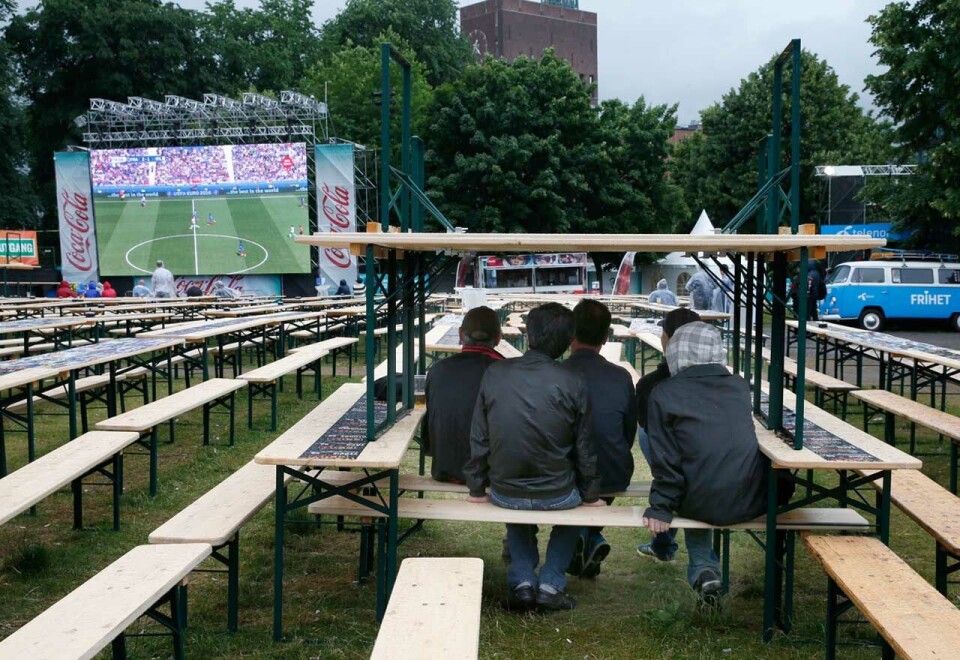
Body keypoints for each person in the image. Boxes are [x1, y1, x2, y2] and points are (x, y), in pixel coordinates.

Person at [464, 303, 600, 612]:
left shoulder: (496, 372)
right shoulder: (574, 379)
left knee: (517, 506)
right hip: (559, 494)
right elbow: (585, 446)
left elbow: (479, 437)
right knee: (573, 514)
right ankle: (551, 583)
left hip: (505, 491)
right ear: (569, 341)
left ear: (527, 335)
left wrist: (476, 488)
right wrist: (591, 495)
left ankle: (522, 581)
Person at [643, 322, 768, 606]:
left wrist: (661, 507)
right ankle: (704, 568)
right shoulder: (738, 386)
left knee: (697, 481)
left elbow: (666, 461)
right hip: (750, 497)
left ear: (676, 350)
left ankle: (703, 569)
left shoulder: (664, 393)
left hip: (699, 501)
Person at [564, 300, 637, 578]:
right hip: (613, 471)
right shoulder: (621, 377)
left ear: (570, 333)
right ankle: (591, 535)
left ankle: (583, 536)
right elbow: (627, 433)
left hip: (566, 474)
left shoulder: (556, 373)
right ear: (606, 337)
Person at [634, 308, 701, 562]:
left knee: (647, 436)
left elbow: (647, 427)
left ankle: (665, 546)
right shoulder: (719, 382)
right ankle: (701, 563)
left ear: (668, 339)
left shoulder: (650, 384)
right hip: (706, 467)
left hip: (668, 468)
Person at [422, 307, 503, 483]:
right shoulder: (505, 372)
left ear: (460, 334)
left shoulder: (437, 369)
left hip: (444, 468)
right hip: (489, 475)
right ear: (498, 338)